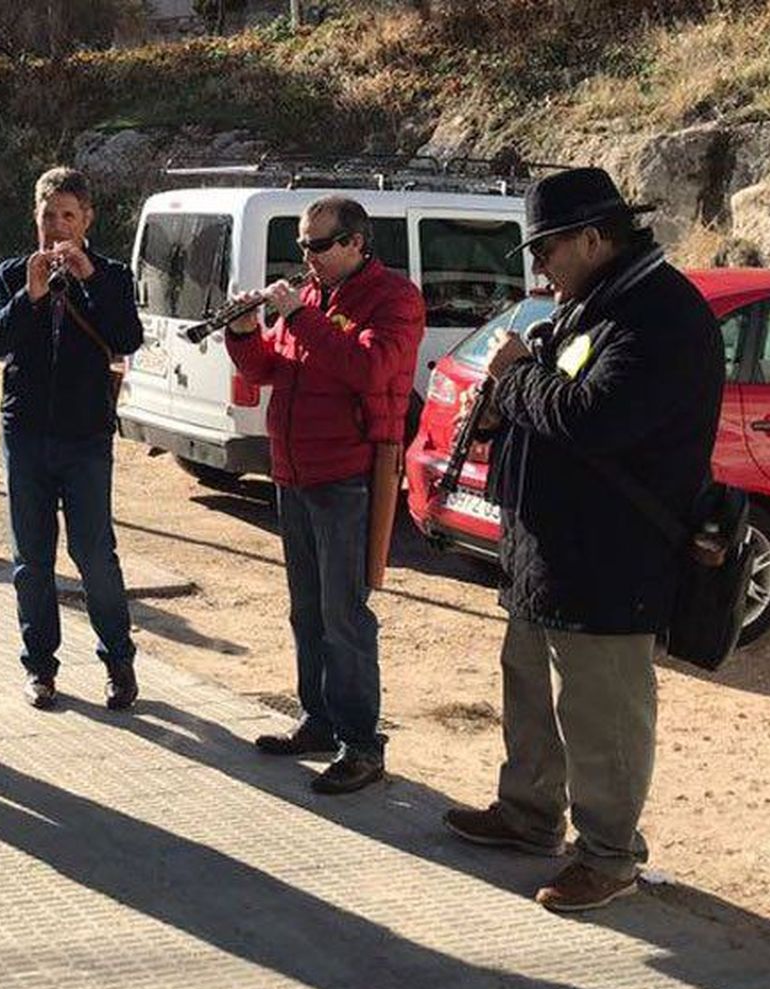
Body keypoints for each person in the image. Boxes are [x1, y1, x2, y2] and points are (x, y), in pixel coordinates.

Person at [442, 167, 723, 913]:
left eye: (546, 250)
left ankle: (609, 854)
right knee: (531, 686)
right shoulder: (593, 304)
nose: (538, 268)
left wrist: (515, 381)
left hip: (612, 555)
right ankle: (530, 814)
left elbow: (594, 417)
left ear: (595, 239)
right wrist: (505, 410)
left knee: (602, 712)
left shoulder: (659, 316)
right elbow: (550, 403)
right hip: (547, 546)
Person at [224, 196, 425, 794]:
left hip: (348, 477)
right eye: (302, 245)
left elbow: (370, 370)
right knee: (306, 610)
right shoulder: (308, 296)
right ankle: (317, 718)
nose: (305, 257)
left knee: (345, 615)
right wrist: (244, 332)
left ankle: (362, 744)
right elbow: (270, 373)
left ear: (356, 243)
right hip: (294, 472)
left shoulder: (395, 300)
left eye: (317, 245)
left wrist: (299, 318)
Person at [0, 166, 143, 711]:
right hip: (25, 431)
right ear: (36, 217)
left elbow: (127, 337)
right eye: (47, 216)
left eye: (67, 216)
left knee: (95, 553)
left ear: (87, 218)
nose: (55, 228)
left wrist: (89, 277)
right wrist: (28, 295)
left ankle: (118, 662)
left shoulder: (113, 275)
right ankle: (40, 668)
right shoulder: (10, 273)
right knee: (31, 559)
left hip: (85, 436)